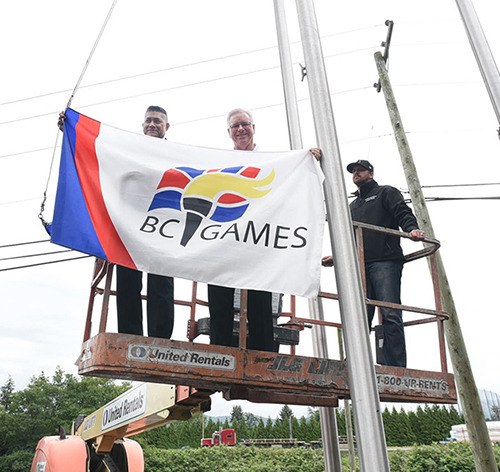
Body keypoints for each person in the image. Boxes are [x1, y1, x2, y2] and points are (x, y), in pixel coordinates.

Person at [208, 108, 321, 352]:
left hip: (259, 237)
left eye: (245, 124)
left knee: (260, 295)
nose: (240, 129)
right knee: (218, 288)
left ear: (253, 128)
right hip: (226, 236)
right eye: (235, 126)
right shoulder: (219, 161)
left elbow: (294, 179)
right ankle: (219, 351)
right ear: (229, 133)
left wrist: (307, 159)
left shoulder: (273, 160)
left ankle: (263, 352)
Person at [323, 159, 425, 367]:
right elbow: (347, 236)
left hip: (385, 261)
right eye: (353, 171)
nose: (356, 173)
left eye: (360, 170)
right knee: (359, 314)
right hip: (359, 265)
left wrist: (411, 229)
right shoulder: (353, 206)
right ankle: (354, 362)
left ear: (371, 172)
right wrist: (337, 256)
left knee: (389, 311)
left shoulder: (386, 192)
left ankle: (395, 365)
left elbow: (401, 212)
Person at [115, 106, 175, 338]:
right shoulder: (130, 151)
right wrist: (72, 129)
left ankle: (160, 337)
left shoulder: (177, 152)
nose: (152, 124)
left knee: (161, 280)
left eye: (157, 121)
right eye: (148, 121)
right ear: (142, 125)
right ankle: (130, 335)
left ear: (166, 126)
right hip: (131, 223)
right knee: (128, 278)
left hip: (163, 224)